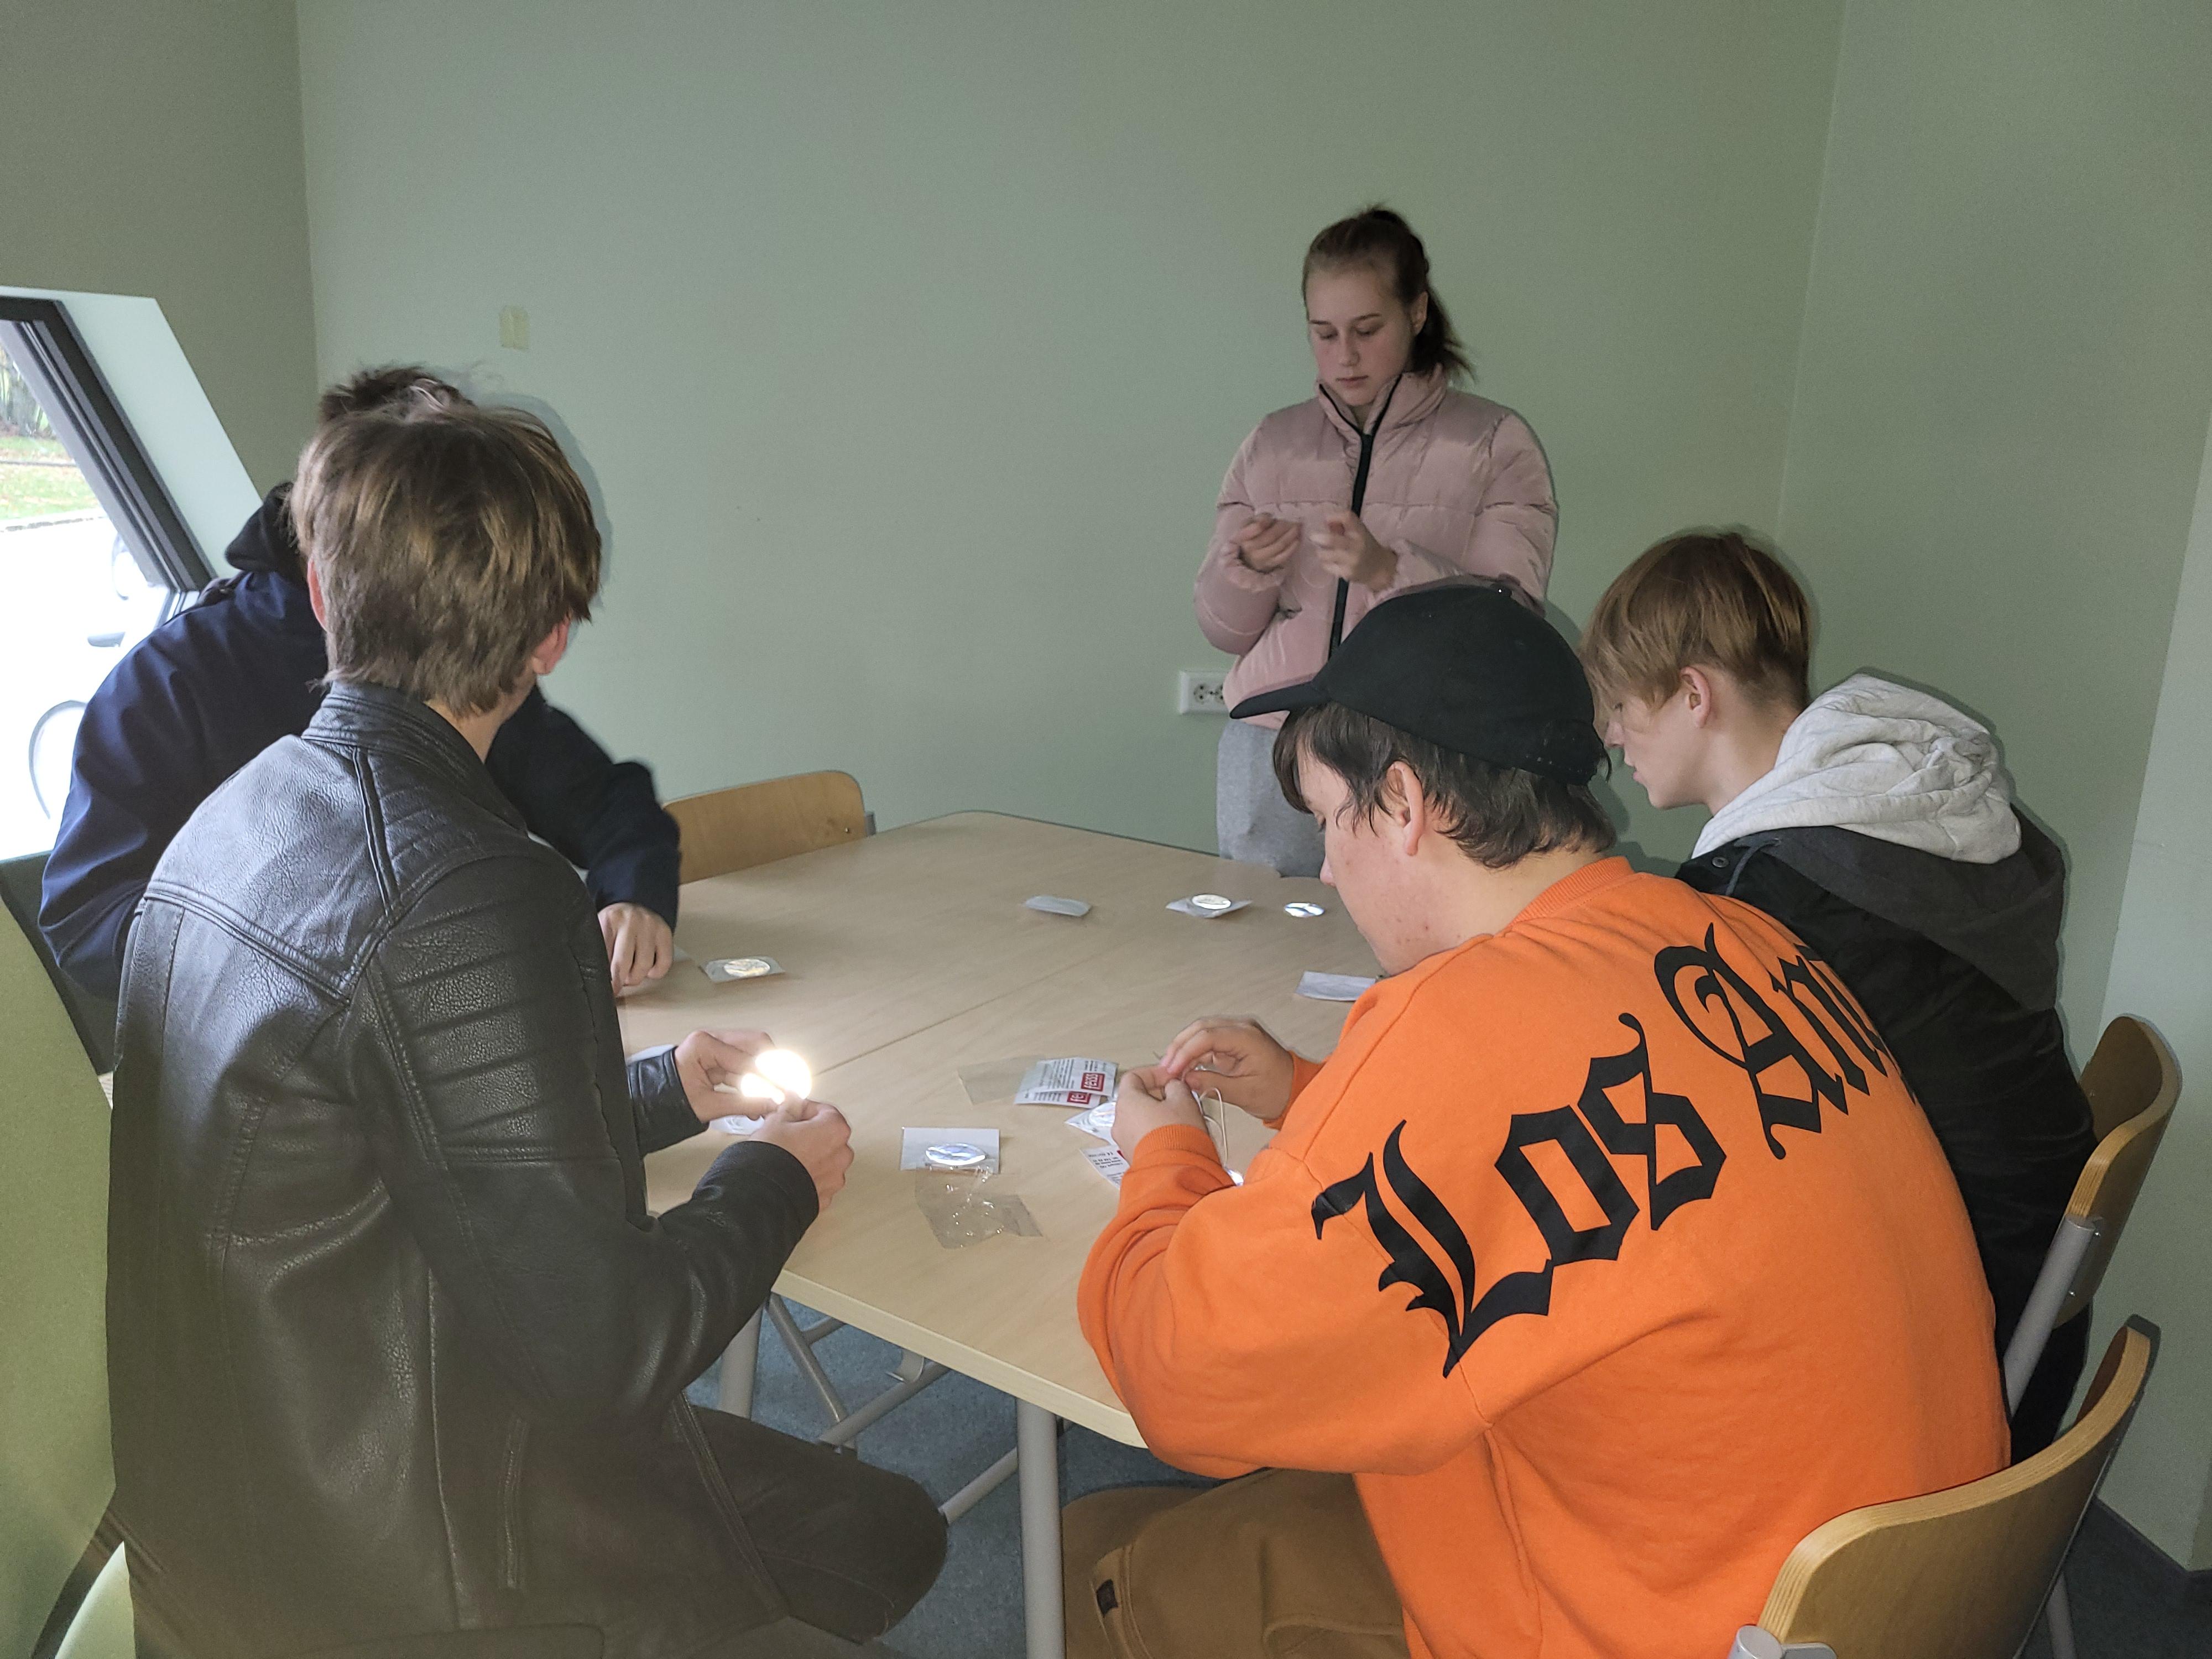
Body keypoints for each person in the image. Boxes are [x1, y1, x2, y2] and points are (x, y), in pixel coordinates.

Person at [105, 399, 945, 1656]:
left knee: (866, 1522)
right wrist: (773, 1177)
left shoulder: (231, 818)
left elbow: (377, 1120)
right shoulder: (477, 888)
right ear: (551, 635)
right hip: (412, 1571)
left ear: (323, 592)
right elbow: (609, 1351)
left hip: (237, 1513)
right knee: (894, 1533)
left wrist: (662, 1088)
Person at [1070, 585, 2006, 1659]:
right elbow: (1573, 1146)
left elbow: (1180, 1380)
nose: (1325, 866)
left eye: (1328, 820)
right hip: (1905, 1602)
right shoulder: (1746, 939)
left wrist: (1166, 1154)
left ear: (1404, 803)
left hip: (1674, 1629)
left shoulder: (1459, 1028)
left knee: (1096, 1554)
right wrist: (1305, 1093)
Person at [1579, 528, 2097, 1456]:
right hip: (2032, 1303)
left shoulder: (1767, 899)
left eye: (1622, 706)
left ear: (1694, 694)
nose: (1614, 738)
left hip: (1943, 1360)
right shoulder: (1910, 817)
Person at [41, 366, 682, 1010]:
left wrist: (634, 898)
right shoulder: (169, 679)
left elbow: (604, 801)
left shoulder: (459, 656)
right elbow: (87, 920)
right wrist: (288, 956)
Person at [1194, 205, 1558, 877]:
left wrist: (1388, 570)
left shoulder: (1494, 443)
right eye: (1323, 333)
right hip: (1270, 743)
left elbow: (1511, 624)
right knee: (1260, 930)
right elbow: (1222, 631)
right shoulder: (1272, 444)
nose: (1345, 355)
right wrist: (1243, 568)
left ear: (1416, 312)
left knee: (1401, 934)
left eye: (1367, 329)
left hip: (1420, 751)